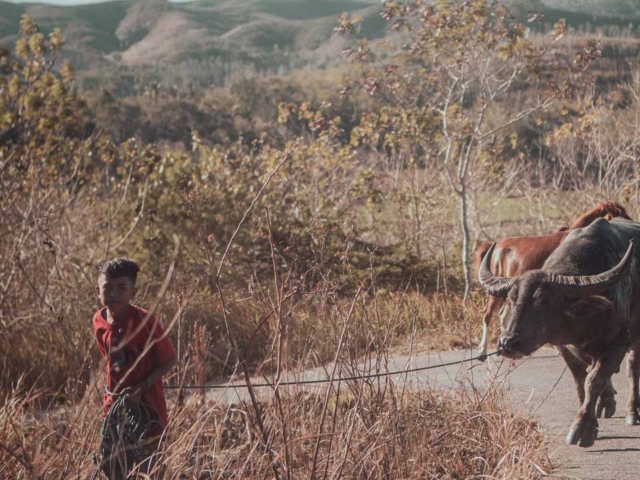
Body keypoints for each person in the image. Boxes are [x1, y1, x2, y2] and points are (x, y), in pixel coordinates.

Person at [93, 258, 176, 479]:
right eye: (107, 287)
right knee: (111, 465)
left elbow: (168, 360)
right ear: (97, 291)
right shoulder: (98, 322)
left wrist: (142, 388)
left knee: (150, 467)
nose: (114, 293)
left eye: (121, 288)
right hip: (114, 407)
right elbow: (110, 361)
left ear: (133, 292)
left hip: (149, 408)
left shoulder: (147, 322)